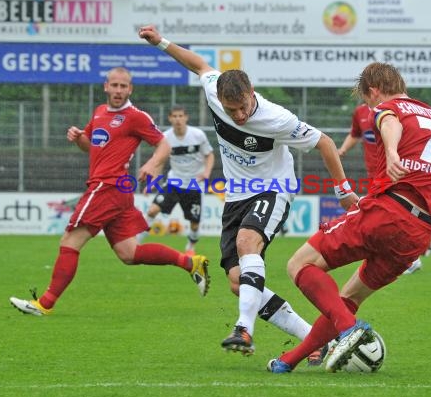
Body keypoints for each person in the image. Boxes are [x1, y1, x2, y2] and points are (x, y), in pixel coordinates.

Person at [139, 25, 357, 356]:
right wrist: (161, 43)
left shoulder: (277, 119)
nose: (239, 116)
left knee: (246, 242)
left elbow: (325, 142)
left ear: (251, 91)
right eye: (231, 111)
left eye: (243, 107)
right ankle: (314, 339)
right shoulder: (214, 89)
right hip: (237, 195)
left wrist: (342, 191)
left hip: (274, 189)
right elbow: (199, 64)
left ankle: (243, 330)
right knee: (237, 281)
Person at [267, 61, 431, 373]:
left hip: (388, 212)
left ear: (375, 90)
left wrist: (392, 153)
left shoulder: (387, 107)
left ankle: (349, 329)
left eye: (366, 99)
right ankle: (289, 361)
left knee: (299, 265)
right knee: (346, 298)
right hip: (418, 233)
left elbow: (389, 119)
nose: (368, 106)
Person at [9, 67, 211, 317]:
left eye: (123, 86)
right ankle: (191, 262)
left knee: (70, 241)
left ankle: (45, 304)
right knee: (129, 253)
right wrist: (79, 137)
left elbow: (164, 144)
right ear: (106, 86)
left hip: (107, 186)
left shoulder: (135, 116)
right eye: (114, 85)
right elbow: (90, 146)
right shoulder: (100, 112)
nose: (118, 90)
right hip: (115, 191)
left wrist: (152, 164)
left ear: (130, 89)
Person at [338, 102, 431, 275]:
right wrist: (343, 149)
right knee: (386, 217)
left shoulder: (394, 111)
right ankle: (410, 256)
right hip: (374, 174)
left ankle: (410, 258)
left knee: (391, 216)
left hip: (394, 171)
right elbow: (355, 134)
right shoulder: (360, 112)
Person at [137, 105, 214, 257]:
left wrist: (206, 172)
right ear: (170, 118)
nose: (178, 119)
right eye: (175, 116)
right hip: (174, 182)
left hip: (194, 185)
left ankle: (190, 246)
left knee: (194, 223)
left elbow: (209, 155)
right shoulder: (165, 138)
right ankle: (136, 242)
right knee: (152, 210)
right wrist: (152, 183)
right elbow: (159, 162)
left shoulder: (198, 135)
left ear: (186, 117)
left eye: (181, 116)